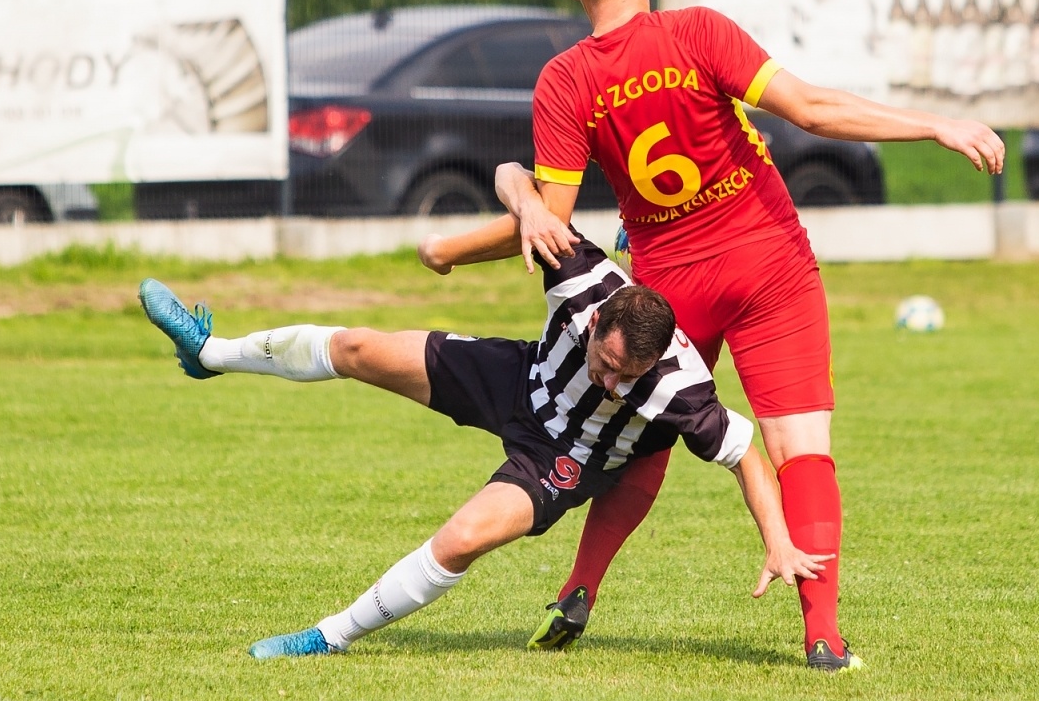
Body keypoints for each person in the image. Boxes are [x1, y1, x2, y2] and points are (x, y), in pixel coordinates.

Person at [420, 0, 1004, 672]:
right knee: (800, 449)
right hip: (769, 261)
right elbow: (812, 110)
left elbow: (550, 225)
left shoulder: (566, 79)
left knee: (646, 436)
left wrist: (449, 250)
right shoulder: (698, 32)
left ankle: (579, 588)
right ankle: (822, 636)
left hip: (670, 284)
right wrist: (935, 125)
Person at [134, 229, 828, 660]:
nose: (614, 382)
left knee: (463, 536)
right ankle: (210, 352)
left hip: (563, 458)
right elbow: (510, 177)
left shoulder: (680, 390)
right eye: (606, 363)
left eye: (629, 376)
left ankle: (328, 636)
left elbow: (744, 454)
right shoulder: (583, 278)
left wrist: (775, 540)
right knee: (355, 346)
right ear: (595, 323)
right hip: (515, 377)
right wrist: (513, 211)